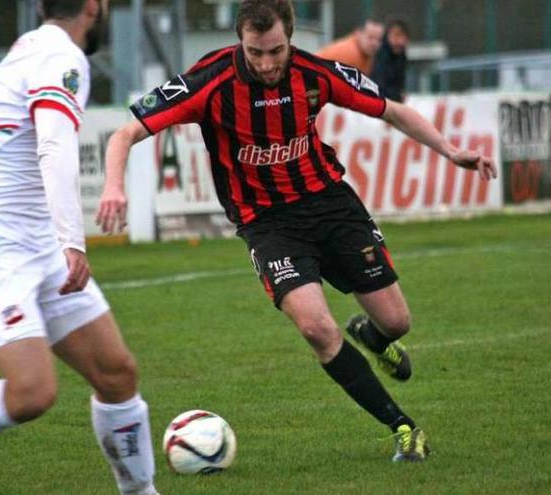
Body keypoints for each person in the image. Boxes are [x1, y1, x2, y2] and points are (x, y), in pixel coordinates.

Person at [97, 0, 497, 462]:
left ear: (290, 37)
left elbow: (391, 110)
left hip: (330, 205)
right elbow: (124, 134)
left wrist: (450, 151)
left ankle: (375, 337)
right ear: (240, 41)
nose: (266, 64)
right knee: (317, 328)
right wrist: (113, 187)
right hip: (268, 226)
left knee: (397, 321)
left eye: (276, 51)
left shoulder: (316, 73)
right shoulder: (209, 81)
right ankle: (402, 427)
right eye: (255, 52)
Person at [0, 1, 159, 494]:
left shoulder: (31, 47)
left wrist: (57, 239)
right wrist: (73, 240)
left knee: (116, 372)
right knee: (32, 393)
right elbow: (53, 145)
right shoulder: (62, 57)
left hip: (35, 239)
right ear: (92, 6)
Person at [316, 18, 384, 76]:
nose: (374, 43)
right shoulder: (350, 52)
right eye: (370, 38)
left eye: (379, 39)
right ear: (358, 33)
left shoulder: (366, 54)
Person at [372, 19, 410, 102]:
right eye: (396, 36)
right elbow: (377, 86)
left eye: (402, 36)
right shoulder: (379, 55)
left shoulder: (401, 55)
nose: (399, 41)